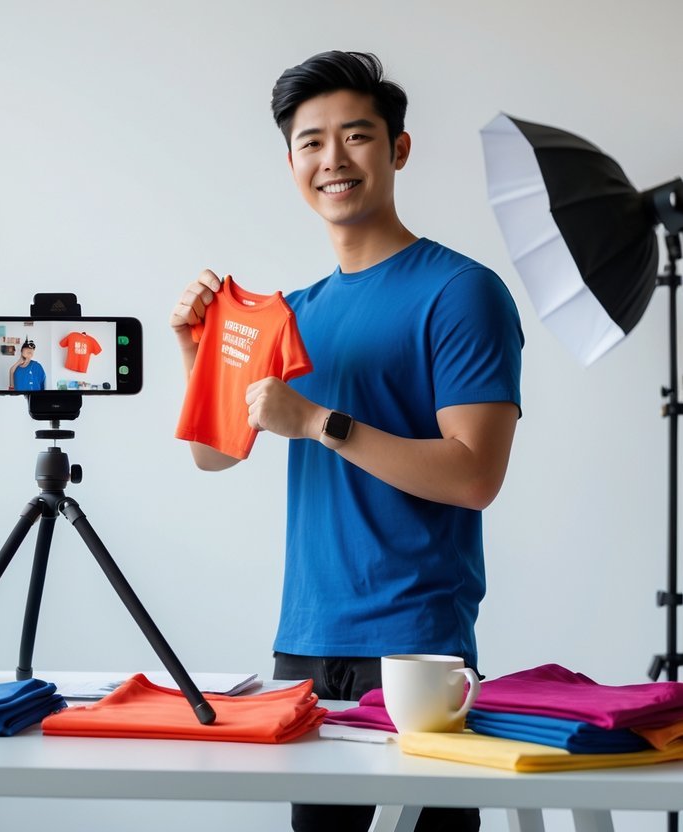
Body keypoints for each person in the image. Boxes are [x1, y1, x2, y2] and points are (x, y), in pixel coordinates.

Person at [170, 51, 523, 832]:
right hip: (303, 643)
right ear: (290, 162)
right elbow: (213, 452)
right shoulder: (291, 311)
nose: (332, 159)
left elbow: (473, 476)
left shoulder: (460, 292)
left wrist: (317, 423)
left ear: (397, 148)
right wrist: (196, 356)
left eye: (356, 135)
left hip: (415, 648)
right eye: (310, 142)